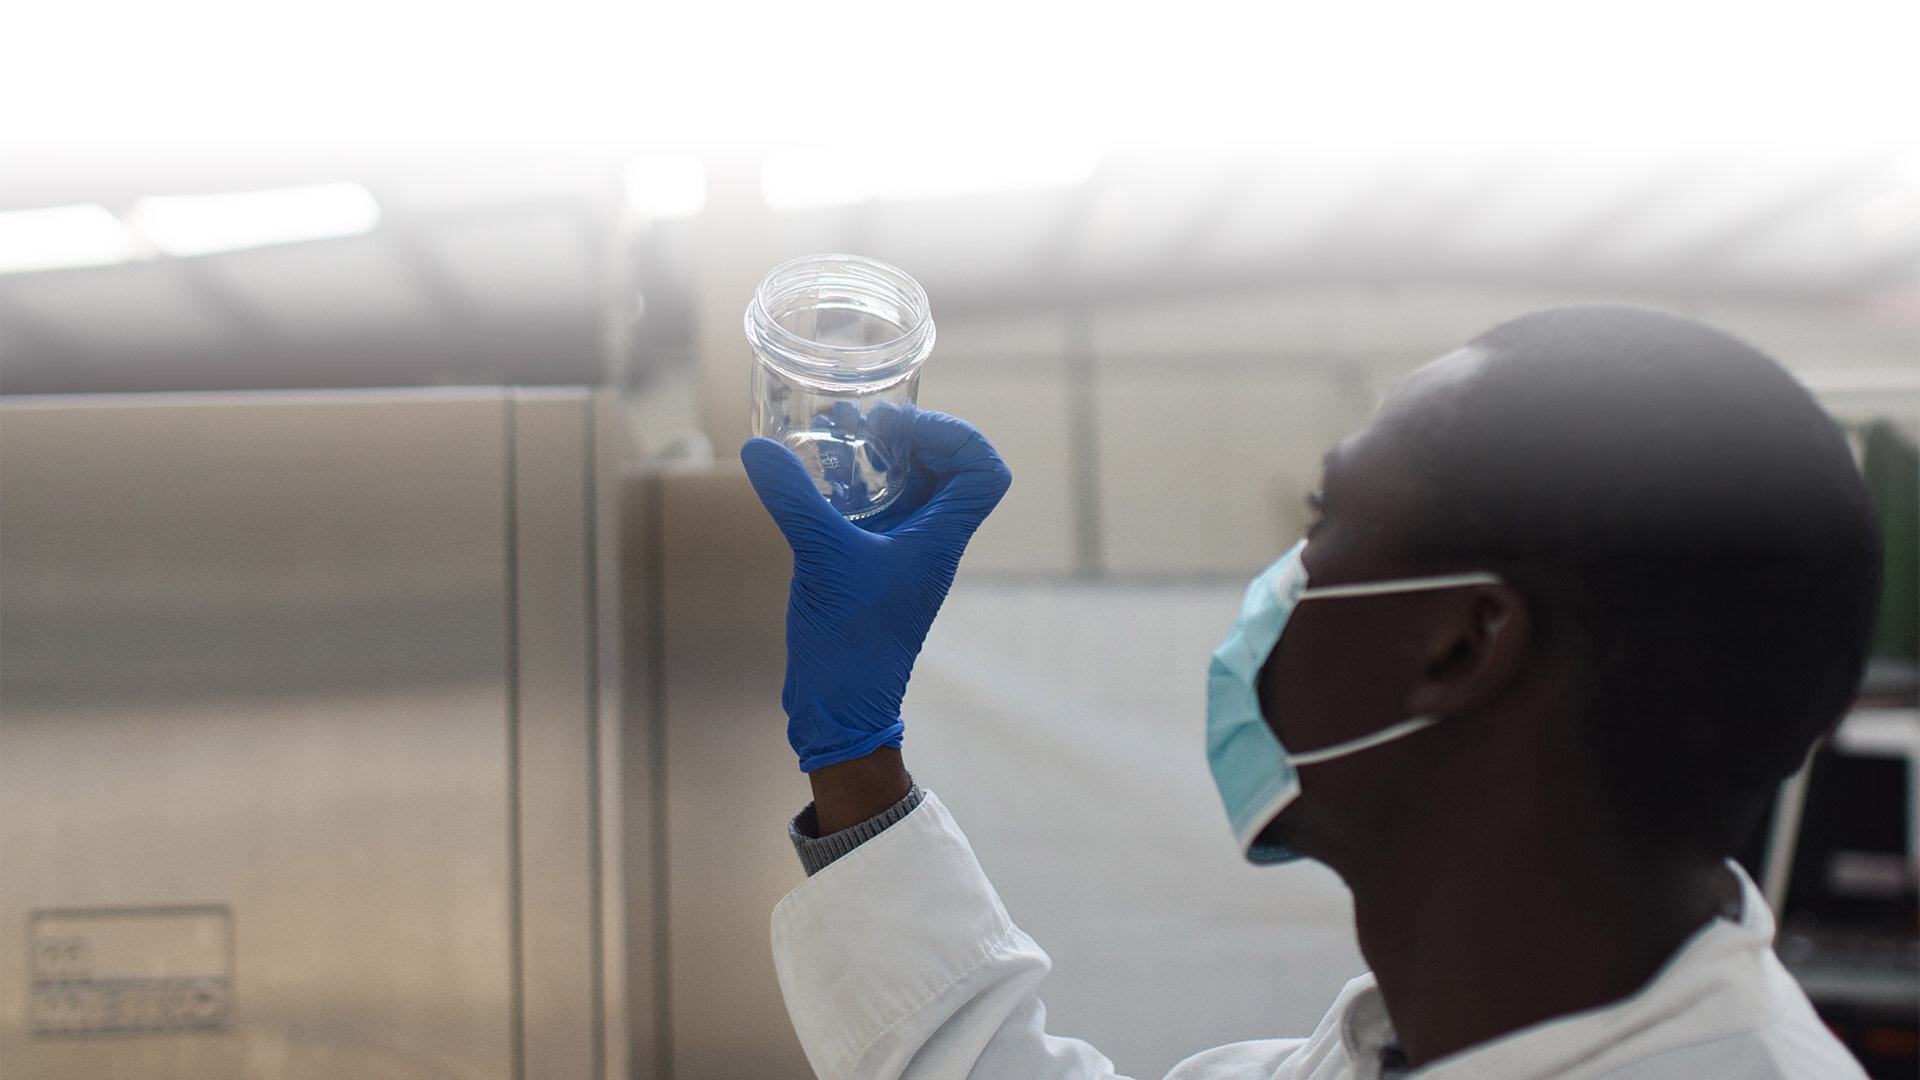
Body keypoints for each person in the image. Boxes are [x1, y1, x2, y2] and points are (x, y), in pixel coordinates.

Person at [739, 306, 1881, 1080]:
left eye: (1322, 526)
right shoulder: (1437, 1037)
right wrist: (855, 756)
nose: (1277, 588)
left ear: (1461, 648)